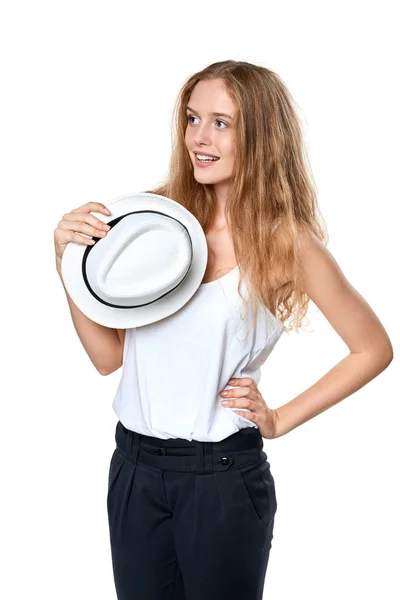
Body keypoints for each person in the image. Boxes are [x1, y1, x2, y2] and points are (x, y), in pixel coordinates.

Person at [53, 60, 393, 600]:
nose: (198, 138)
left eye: (220, 122)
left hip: (222, 477)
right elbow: (107, 358)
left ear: (258, 135)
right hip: (135, 470)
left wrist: (278, 419)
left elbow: (372, 348)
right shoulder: (150, 218)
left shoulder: (287, 243)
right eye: (192, 119)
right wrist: (67, 263)